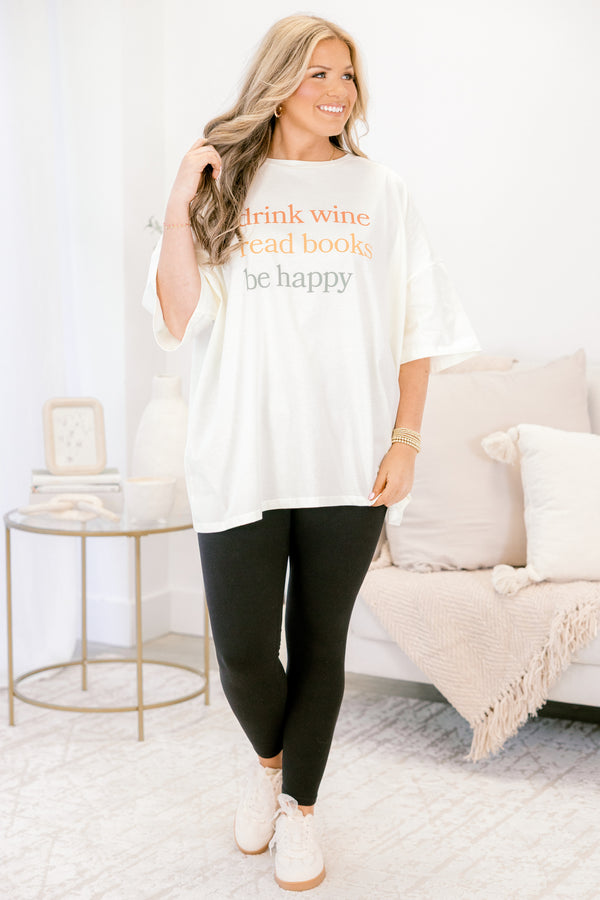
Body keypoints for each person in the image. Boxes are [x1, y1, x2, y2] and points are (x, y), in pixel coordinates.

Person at [143, 13, 480, 892]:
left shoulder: (382, 191)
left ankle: (301, 808)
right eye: (317, 74)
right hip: (240, 454)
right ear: (277, 81)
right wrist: (181, 202)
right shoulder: (223, 188)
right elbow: (178, 319)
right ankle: (267, 764)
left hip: (349, 455)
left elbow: (419, 327)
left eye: (348, 76)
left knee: (321, 641)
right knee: (246, 652)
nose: (337, 92)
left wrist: (406, 440)